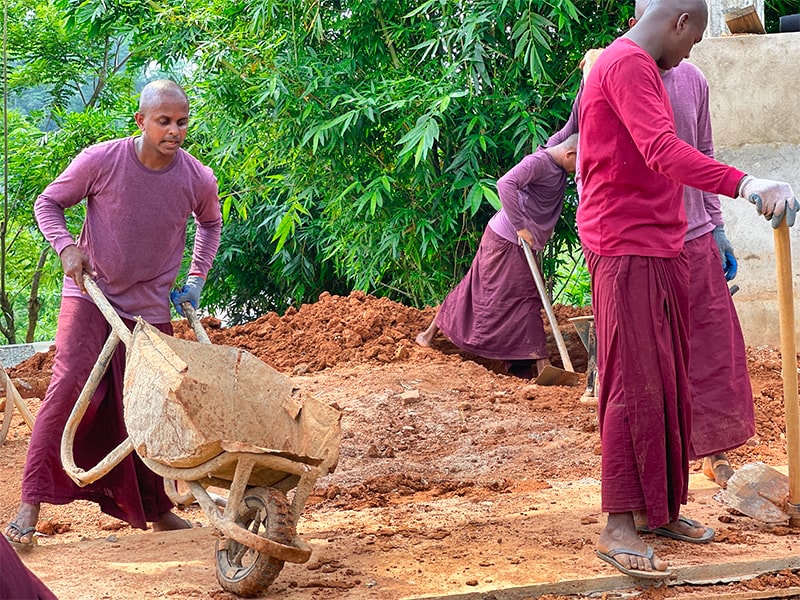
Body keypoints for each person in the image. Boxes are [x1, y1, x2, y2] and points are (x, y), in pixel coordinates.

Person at [577, 0, 798, 580]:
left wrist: (711, 229)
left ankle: (659, 512)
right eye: (695, 39)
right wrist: (747, 183)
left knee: (669, 382)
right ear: (679, 23)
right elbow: (665, 152)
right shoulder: (625, 65)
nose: (692, 52)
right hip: (624, 247)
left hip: (661, 244)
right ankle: (618, 524)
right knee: (633, 384)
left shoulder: (649, 68)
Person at [3, 80, 222, 548]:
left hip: (148, 308)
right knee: (68, 390)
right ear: (141, 120)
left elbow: (210, 224)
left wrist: (196, 279)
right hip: (91, 295)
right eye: (164, 121)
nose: (174, 131)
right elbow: (49, 203)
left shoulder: (196, 178)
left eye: (182, 122)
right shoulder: (102, 159)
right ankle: (29, 506)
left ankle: (157, 511)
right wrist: (65, 248)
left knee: (149, 408)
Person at [415, 134, 578, 378]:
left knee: (477, 287)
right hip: (508, 240)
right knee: (526, 297)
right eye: (581, 163)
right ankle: (544, 367)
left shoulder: (557, 157)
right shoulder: (540, 162)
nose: (580, 171)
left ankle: (428, 335)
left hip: (508, 240)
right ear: (570, 154)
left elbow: (577, 117)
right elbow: (505, 183)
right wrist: (521, 226)